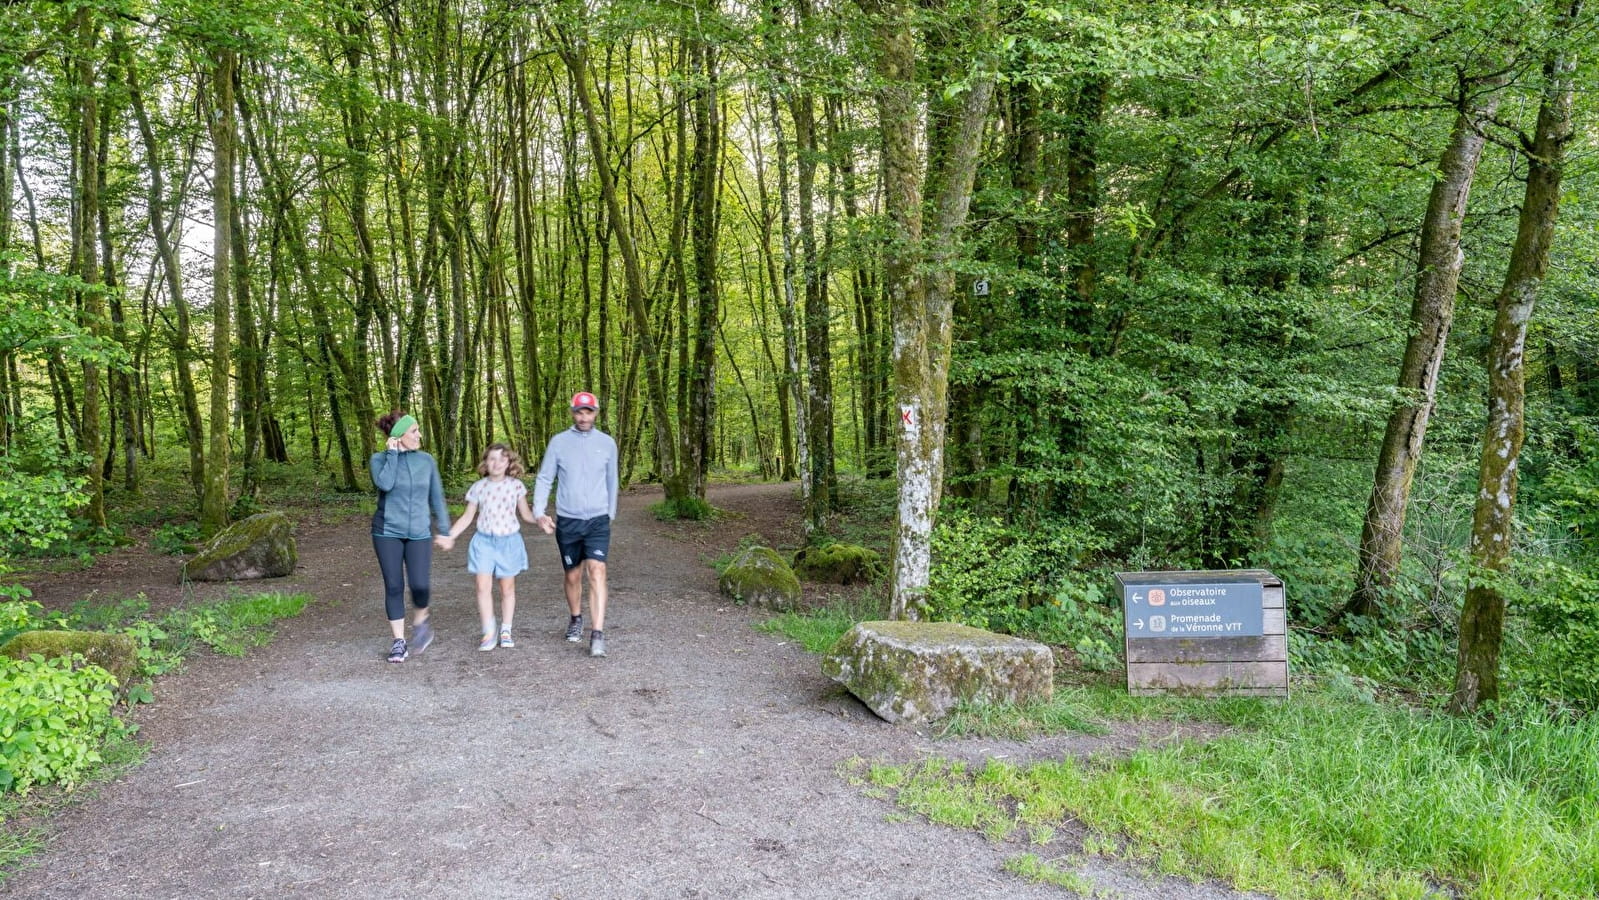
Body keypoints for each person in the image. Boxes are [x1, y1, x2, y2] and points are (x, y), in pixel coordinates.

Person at [532, 391, 619, 657]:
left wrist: (609, 513)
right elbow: (545, 477)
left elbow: (612, 480)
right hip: (568, 520)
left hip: (597, 520)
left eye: (588, 412)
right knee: (573, 575)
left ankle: (597, 634)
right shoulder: (559, 442)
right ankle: (576, 617)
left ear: (596, 413)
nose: (583, 417)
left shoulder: (607, 443)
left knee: (597, 570)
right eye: (579, 412)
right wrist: (539, 511)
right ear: (573, 413)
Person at [370, 410, 453, 663]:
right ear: (398, 436)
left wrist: (446, 530)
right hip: (387, 531)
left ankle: (421, 623)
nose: (420, 435)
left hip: (419, 532)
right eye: (414, 431)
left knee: (420, 585)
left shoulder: (426, 461)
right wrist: (393, 454)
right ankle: (398, 642)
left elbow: (436, 497)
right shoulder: (379, 459)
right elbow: (384, 484)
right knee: (394, 585)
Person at [442, 443, 538, 651]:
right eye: (492, 459)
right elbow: (468, 516)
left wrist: (541, 520)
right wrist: (450, 535)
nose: (496, 463)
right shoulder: (479, 487)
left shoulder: (516, 486)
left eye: (501, 459)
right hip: (484, 542)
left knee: (507, 587)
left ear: (508, 463)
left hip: (509, 542)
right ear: (486, 462)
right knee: (482, 586)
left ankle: (506, 629)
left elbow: (527, 514)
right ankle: (488, 631)